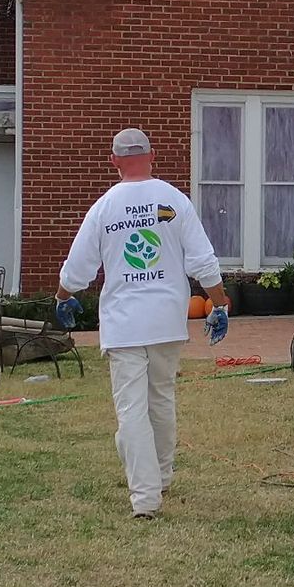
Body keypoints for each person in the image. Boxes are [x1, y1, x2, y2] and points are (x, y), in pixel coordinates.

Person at [60, 126, 229, 519]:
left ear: (113, 161)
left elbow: (79, 267)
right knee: (162, 399)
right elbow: (203, 261)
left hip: (123, 322)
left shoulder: (104, 207)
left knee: (131, 409)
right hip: (167, 318)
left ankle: (145, 498)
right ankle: (162, 476)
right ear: (152, 156)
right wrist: (218, 305)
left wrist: (63, 298)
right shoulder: (174, 200)